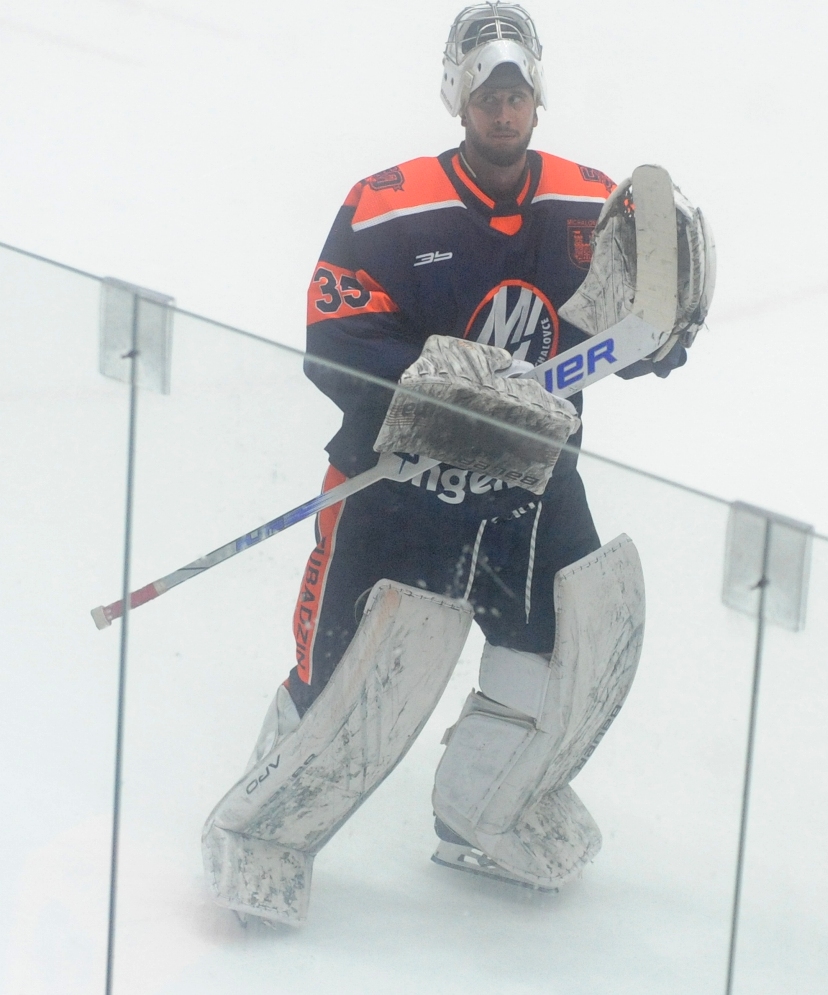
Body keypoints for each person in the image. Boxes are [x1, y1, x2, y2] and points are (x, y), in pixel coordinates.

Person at [222, 2, 703, 900]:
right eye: (487, 96)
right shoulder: (389, 204)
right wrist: (436, 387)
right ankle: (264, 830)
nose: (503, 112)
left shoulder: (589, 203)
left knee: (558, 655)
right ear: (458, 98)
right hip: (398, 482)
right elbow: (333, 342)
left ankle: (483, 809)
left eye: (516, 95)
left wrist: (662, 334)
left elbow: (625, 329)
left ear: (538, 97)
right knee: (340, 675)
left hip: (531, 486)